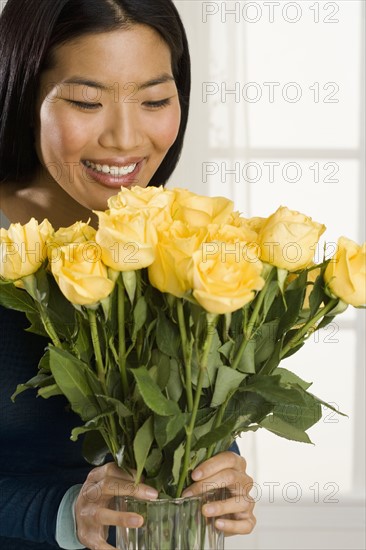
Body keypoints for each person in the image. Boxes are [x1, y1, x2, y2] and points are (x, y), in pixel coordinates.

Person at [0, 1, 256, 548]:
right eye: (87, 101)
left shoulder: (179, 241)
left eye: (155, 100)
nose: (125, 139)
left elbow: (181, 417)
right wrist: (67, 514)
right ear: (25, 94)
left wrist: (218, 470)